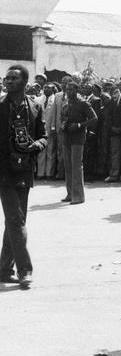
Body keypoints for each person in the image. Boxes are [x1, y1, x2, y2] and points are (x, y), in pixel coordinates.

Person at [0, 64, 48, 289]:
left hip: (24, 169)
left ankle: (3, 269)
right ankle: (24, 271)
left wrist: (34, 146)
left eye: (13, 78)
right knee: (15, 219)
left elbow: (44, 137)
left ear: (24, 83)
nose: (8, 81)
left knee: (17, 221)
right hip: (3, 171)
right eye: (7, 78)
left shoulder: (35, 107)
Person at [60, 82, 98, 205]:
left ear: (77, 90)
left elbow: (94, 118)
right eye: (66, 89)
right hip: (67, 137)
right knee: (68, 166)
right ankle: (70, 193)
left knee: (76, 166)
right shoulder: (66, 103)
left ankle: (78, 195)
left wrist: (79, 125)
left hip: (78, 138)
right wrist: (63, 125)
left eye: (71, 89)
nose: (68, 92)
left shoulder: (83, 103)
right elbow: (63, 118)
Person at [35, 83, 56, 179]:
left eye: (49, 88)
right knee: (41, 151)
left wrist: (53, 127)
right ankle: (40, 173)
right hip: (41, 129)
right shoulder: (38, 99)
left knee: (50, 151)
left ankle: (49, 173)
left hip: (51, 127)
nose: (46, 89)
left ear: (53, 90)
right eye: (45, 88)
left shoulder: (56, 99)